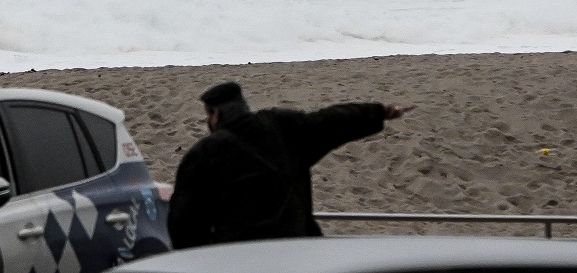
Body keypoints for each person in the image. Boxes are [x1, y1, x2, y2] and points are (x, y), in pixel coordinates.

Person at [168, 81, 414, 248]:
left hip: (240, 256)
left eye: (207, 116)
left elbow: (183, 222)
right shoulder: (281, 126)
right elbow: (332, 121)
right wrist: (380, 111)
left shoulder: (205, 153)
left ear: (216, 115)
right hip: (298, 248)